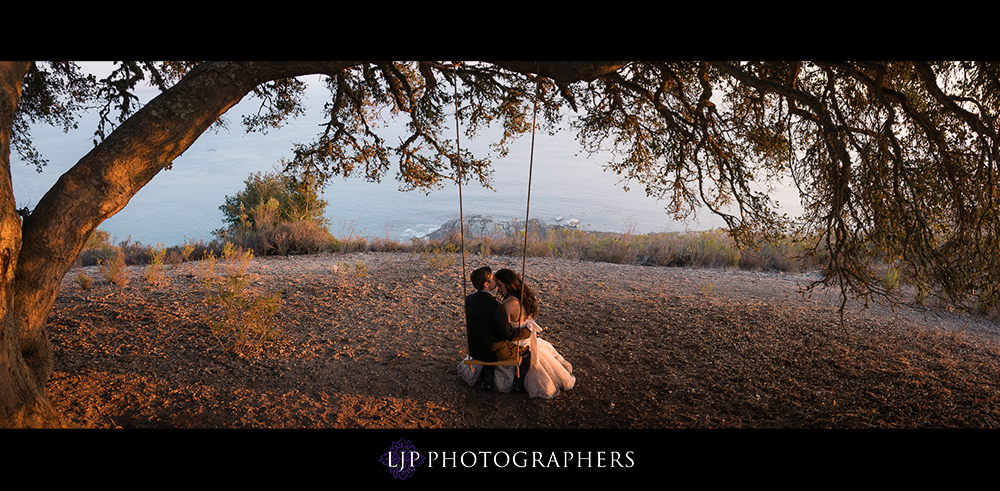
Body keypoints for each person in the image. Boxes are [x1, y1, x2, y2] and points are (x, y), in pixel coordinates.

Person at [493, 268, 575, 399]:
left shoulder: (507, 305)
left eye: (500, 286)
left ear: (508, 284)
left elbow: (507, 331)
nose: (498, 289)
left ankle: (517, 379)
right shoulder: (525, 298)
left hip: (517, 339)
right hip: (529, 338)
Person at [460, 266, 532, 392]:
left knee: (488, 338)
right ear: (487, 284)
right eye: (493, 278)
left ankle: (487, 383)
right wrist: (528, 331)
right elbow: (509, 335)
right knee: (526, 352)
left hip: (475, 350)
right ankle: (518, 385)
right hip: (492, 353)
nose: (495, 280)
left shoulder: (469, 299)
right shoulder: (496, 307)